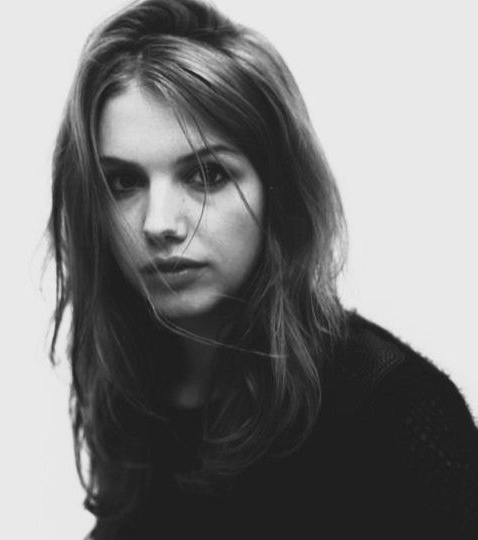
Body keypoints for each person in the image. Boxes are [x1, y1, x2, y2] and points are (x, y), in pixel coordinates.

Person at [47, 0, 478, 538]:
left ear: (280, 191)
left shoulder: (393, 411)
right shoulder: (135, 396)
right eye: (123, 182)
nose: (158, 224)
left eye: (207, 175)